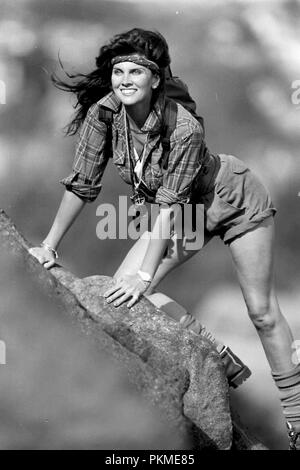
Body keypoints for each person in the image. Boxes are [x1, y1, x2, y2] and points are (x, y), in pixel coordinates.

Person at [28, 28, 300, 449]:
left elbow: (169, 208)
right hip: (183, 211)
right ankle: (212, 353)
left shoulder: (184, 128)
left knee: (262, 313)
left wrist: (145, 272)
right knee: (124, 296)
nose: (124, 79)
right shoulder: (104, 114)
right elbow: (82, 184)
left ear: (156, 79)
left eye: (136, 70)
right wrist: (49, 245)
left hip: (232, 195)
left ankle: (297, 419)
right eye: (118, 71)